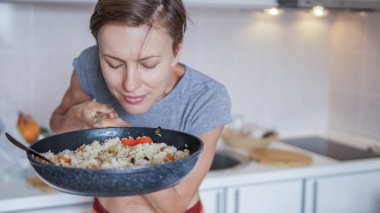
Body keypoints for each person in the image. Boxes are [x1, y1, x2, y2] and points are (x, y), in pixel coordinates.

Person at [50, 0, 231, 212]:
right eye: (114, 64)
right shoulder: (90, 65)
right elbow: (56, 125)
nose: (130, 85)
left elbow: (175, 205)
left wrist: (131, 140)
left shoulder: (206, 98)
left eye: (148, 64)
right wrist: (77, 115)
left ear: (176, 51)